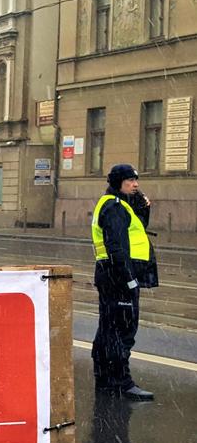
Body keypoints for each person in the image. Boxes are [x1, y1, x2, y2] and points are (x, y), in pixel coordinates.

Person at [91, 163, 158, 401]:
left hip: (110, 276)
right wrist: (128, 279)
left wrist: (143, 210)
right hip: (118, 278)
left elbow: (134, 232)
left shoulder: (116, 205)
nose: (135, 184)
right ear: (119, 182)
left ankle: (105, 379)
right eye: (130, 180)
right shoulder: (114, 206)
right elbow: (116, 246)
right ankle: (121, 381)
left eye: (135, 180)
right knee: (122, 331)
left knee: (109, 329)